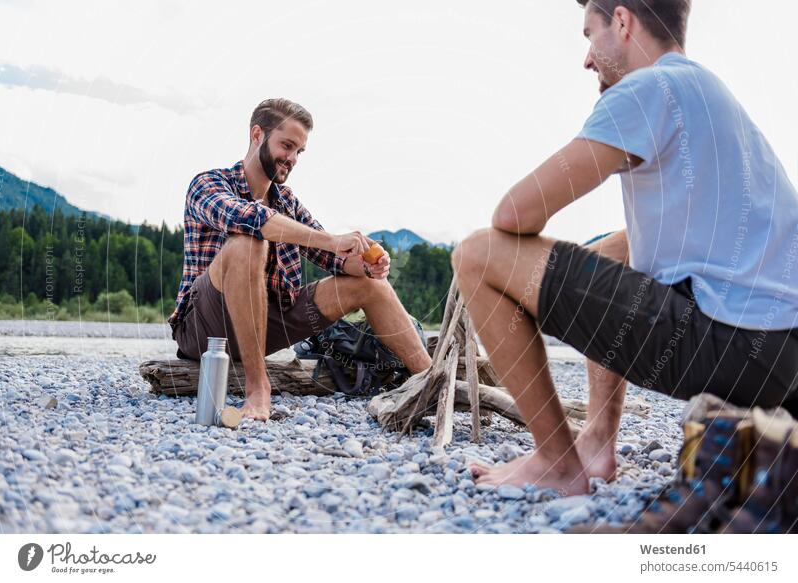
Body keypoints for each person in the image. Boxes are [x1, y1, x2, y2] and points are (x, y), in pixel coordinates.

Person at [452, 0, 798, 495]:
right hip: (785, 361)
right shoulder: (708, 91)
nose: (588, 59)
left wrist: (530, 284)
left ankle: (558, 462)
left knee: (480, 255)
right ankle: (596, 441)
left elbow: (512, 214)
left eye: (590, 35)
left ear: (622, 20)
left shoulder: (648, 88)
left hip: (737, 352)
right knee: (614, 248)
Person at [169, 98, 432, 422]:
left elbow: (333, 257)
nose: (292, 158)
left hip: (266, 322)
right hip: (204, 329)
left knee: (369, 286)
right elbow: (253, 218)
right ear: (257, 135)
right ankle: (257, 389)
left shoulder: (287, 201)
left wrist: (365, 265)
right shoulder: (208, 184)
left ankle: (432, 382)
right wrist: (333, 240)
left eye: (299, 151)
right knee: (247, 243)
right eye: (287, 145)